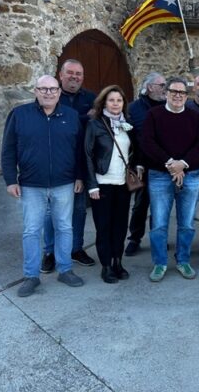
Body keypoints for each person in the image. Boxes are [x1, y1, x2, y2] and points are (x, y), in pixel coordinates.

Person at [2, 75, 85, 297]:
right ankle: (31, 276)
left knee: (64, 227)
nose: (48, 93)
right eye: (43, 89)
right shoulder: (19, 115)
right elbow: (8, 149)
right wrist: (10, 180)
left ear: (59, 92)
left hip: (64, 183)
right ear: (35, 91)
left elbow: (79, 150)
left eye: (53, 89)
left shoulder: (71, 116)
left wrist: (79, 176)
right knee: (31, 230)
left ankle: (65, 270)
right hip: (31, 184)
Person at [141, 76, 199, 282]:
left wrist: (182, 164)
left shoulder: (195, 117)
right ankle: (160, 263)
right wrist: (170, 163)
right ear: (166, 93)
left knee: (186, 223)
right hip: (160, 175)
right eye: (174, 91)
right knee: (159, 223)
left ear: (187, 96)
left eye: (182, 92)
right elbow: (147, 142)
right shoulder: (154, 115)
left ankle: (183, 260)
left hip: (189, 175)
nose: (178, 95)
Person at [41, 59, 96, 273]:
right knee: (50, 211)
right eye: (70, 73)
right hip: (55, 163)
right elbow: (51, 121)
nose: (74, 77)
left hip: (81, 162)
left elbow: (97, 122)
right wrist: (84, 117)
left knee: (79, 210)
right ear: (61, 75)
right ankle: (50, 252)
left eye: (78, 74)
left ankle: (75, 249)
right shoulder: (51, 96)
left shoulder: (91, 98)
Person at [85, 85, 141, 283]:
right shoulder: (95, 125)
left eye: (119, 100)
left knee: (120, 226)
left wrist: (137, 166)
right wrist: (92, 185)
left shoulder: (128, 125)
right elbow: (87, 155)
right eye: (111, 100)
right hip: (102, 183)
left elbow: (134, 151)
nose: (115, 104)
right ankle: (106, 266)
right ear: (104, 103)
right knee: (104, 227)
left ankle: (118, 262)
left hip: (122, 184)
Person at [124, 72, 167, 256]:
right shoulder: (133, 109)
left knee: (161, 206)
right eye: (162, 85)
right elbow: (128, 138)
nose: (165, 89)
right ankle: (135, 238)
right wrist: (134, 163)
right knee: (140, 205)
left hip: (163, 165)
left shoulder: (167, 107)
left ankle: (159, 239)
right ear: (150, 87)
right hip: (139, 166)